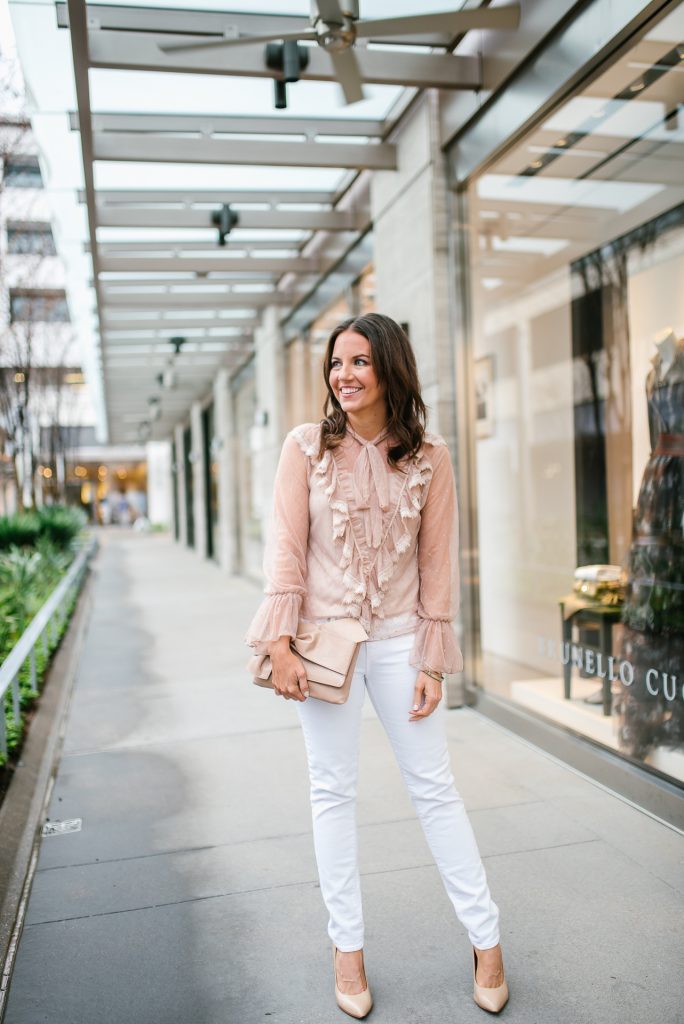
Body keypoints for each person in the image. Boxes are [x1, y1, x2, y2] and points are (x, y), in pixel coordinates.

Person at [245, 314, 508, 1018]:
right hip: (325, 646)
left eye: (360, 362)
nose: (345, 376)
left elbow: (435, 565)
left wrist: (432, 660)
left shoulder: (431, 456)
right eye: (337, 364)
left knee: (435, 788)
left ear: (389, 368)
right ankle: (348, 951)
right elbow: (287, 549)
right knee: (331, 791)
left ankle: (487, 942)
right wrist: (277, 642)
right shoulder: (305, 448)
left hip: (398, 643)